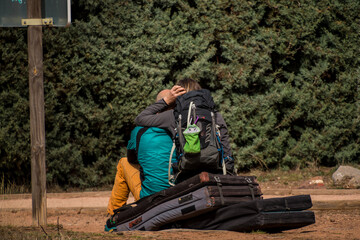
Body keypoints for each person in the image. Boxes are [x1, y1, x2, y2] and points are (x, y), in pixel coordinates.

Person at [135, 78, 235, 175]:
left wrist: (166, 100)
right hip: (216, 171)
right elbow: (225, 146)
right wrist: (229, 172)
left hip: (186, 175)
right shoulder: (214, 114)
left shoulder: (173, 116)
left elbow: (140, 118)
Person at [107, 90, 176, 215]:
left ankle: (114, 215)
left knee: (123, 163)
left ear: (157, 107)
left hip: (150, 199)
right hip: (179, 195)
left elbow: (132, 159)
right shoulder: (182, 130)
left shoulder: (140, 131)